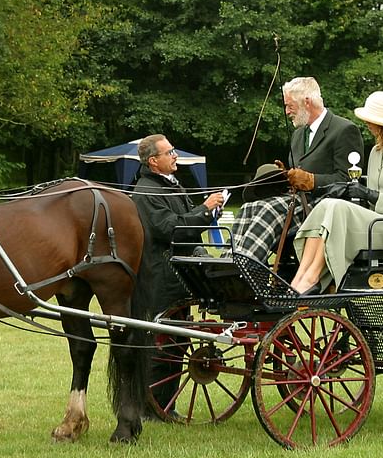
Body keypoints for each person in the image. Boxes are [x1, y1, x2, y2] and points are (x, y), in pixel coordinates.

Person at [290, 91, 383, 294]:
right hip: (375, 223)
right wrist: (350, 191)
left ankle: (313, 277)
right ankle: (301, 277)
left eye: (370, 120)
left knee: (336, 207)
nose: (367, 124)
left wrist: (369, 194)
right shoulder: (377, 152)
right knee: (327, 203)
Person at [131, 134, 225, 419]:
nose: (175, 156)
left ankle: (165, 406)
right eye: (169, 152)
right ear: (153, 161)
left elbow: (185, 226)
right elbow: (171, 229)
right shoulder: (146, 191)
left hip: (180, 275)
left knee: (178, 343)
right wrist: (205, 210)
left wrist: (207, 213)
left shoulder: (169, 184)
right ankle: (151, 408)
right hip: (161, 276)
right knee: (162, 344)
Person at [231, 76, 364, 264]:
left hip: (324, 206)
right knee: (249, 207)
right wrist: (284, 175)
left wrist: (311, 180)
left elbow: (348, 181)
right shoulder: (298, 135)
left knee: (267, 209)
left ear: (307, 102)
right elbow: (298, 173)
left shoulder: (344, 130)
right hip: (296, 201)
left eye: (289, 106)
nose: (287, 112)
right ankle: (227, 263)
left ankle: (244, 266)